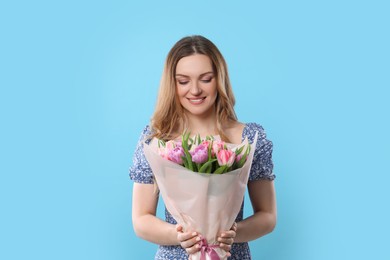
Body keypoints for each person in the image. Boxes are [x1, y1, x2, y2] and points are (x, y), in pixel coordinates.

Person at [129, 35, 277, 260]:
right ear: (172, 83)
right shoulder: (156, 139)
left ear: (220, 79)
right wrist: (178, 235)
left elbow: (267, 216)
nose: (195, 90)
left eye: (206, 79)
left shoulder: (249, 138)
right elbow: (141, 219)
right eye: (183, 81)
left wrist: (234, 233)